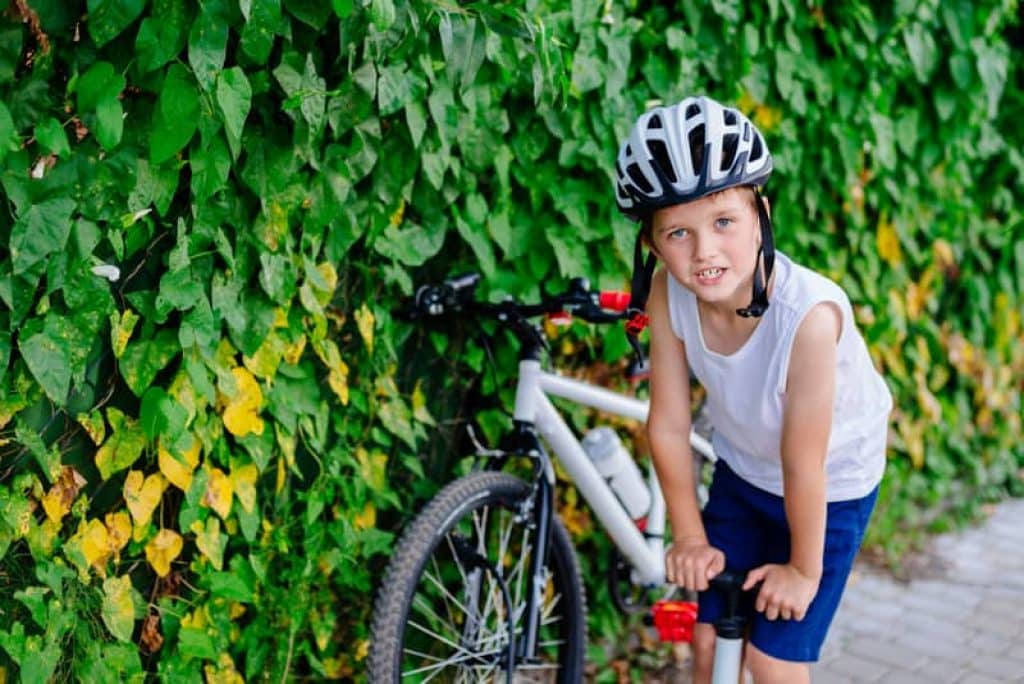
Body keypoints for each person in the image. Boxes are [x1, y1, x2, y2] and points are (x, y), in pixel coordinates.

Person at [613, 95, 892, 683]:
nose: (704, 252)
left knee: (769, 660)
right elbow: (667, 422)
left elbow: (804, 463)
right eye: (677, 234)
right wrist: (688, 536)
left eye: (723, 222)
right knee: (710, 644)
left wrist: (802, 570)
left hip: (830, 487)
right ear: (654, 246)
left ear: (760, 214)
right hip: (744, 473)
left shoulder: (808, 318)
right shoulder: (669, 294)